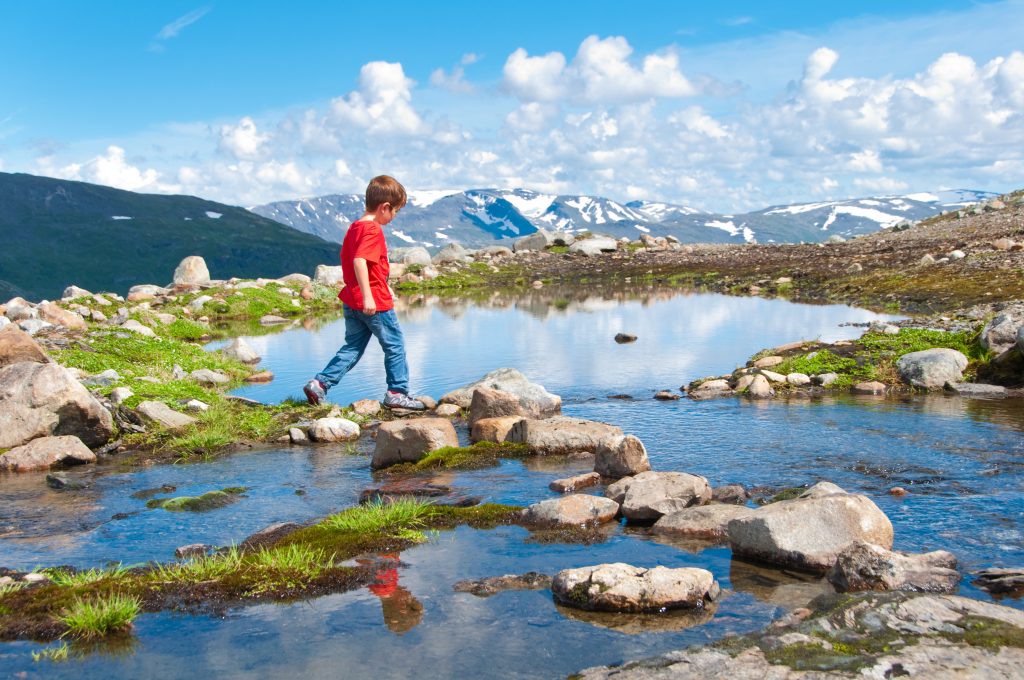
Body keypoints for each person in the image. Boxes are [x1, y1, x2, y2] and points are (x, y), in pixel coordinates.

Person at [303, 175, 424, 410]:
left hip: (352, 300)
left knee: (353, 347)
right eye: (395, 211)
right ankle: (397, 392)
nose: (394, 217)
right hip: (373, 301)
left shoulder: (355, 227)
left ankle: (320, 383)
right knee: (395, 345)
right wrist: (369, 295)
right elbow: (360, 260)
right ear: (384, 207)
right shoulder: (372, 230)